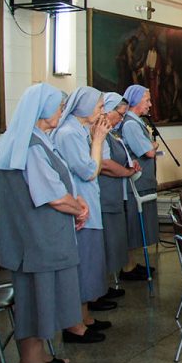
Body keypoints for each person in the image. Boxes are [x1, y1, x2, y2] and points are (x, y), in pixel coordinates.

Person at [0, 84, 85, 363]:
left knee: (41, 298)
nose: (60, 111)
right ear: (42, 108)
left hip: (37, 237)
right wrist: (79, 207)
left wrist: (76, 201)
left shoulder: (27, 139)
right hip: (38, 240)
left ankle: (40, 354)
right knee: (34, 299)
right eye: (57, 106)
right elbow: (52, 195)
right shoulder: (30, 146)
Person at [52, 86, 113, 342]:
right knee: (83, 263)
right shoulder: (68, 134)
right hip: (80, 206)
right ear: (86, 107)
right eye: (99, 106)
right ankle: (74, 325)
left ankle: (84, 316)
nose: (102, 111)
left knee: (89, 262)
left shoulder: (78, 131)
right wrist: (98, 141)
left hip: (88, 202)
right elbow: (89, 170)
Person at [97, 93, 140, 298]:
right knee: (106, 241)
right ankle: (98, 288)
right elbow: (103, 164)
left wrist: (130, 165)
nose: (122, 119)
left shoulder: (112, 133)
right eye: (120, 114)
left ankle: (102, 286)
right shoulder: (99, 135)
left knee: (114, 240)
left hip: (116, 192)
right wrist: (127, 171)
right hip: (105, 193)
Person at [119, 85, 159, 280]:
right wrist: (153, 144)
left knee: (139, 223)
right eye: (147, 101)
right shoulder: (130, 125)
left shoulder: (136, 122)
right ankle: (128, 266)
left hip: (143, 179)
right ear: (135, 102)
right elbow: (148, 151)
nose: (150, 105)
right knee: (134, 224)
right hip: (137, 182)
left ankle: (133, 263)